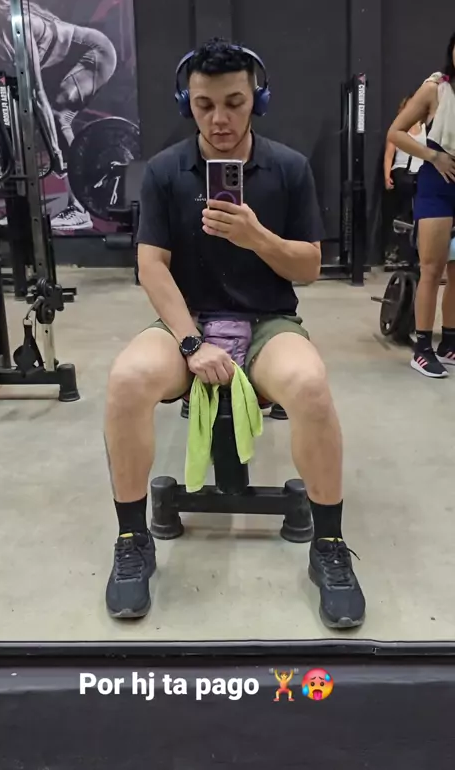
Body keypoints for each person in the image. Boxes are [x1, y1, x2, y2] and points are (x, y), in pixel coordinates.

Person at [104, 38, 366, 630]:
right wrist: (190, 343)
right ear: (187, 104)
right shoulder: (165, 172)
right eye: (204, 105)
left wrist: (257, 238)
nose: (219, 119)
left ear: (258, 101)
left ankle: (328, 546)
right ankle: (131, 539)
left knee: (310, 386)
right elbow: (152, 266)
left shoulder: (290, 168)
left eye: (234, 103)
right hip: (189, 320)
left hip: (268, 320)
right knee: (126, 381)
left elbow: (309, 266)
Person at [0, 0, 117, 231]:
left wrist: (55, 152)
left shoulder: (15, 25)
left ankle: (81, 208)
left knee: (58, 114)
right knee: (15, 120)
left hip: (94, 53)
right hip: (61, 65)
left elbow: (37, 92)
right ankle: (19, 210)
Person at [388, 33, 455, 377]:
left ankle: (450, 343)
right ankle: (423, 348)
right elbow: (396, 132)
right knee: (432, 268)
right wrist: (433, 156)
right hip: (436, 186)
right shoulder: (434, 89)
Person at [383, 96, 426, 265]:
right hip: (402, 170)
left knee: (422, 211)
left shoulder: (425, 126)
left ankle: (419, 252)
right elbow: (389, 154)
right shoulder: (398, 126)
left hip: (421, 170)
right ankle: (398, 251)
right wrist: (387, 176)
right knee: (406, 208)